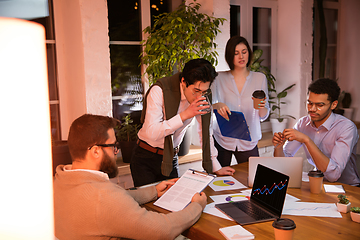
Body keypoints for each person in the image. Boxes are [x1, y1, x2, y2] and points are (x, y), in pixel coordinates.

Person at [53, 114, 208, 240]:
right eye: (113, 146)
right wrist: (196, 206)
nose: (116, 152)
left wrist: (153, 191)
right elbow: (162, 230)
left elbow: (114, 199)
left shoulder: (59, 182)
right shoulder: (103, 197)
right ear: (95, 151)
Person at [130, 58, 235, 187]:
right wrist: (185, 115)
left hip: (170, 158)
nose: (200, 97)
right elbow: (152, 132)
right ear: (183, 82)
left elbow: (205, 131)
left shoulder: (203, 95)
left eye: (204, 92)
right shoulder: (160, 91)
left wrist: (215, 166)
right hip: (146, 157)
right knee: (149, 203)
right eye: (196, 91)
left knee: (173, 203)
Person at [272, 78, 360, 186]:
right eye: (310, 103)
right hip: (318, 184)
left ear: (333, 105)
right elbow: (283, 161)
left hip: (348, 188)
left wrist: (307, 140)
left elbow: (333, 175)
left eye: (320, 105)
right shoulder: (302, 124)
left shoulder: (346, 128)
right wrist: (278, 147)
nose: (312, 109)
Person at [211, 36, 270, 167]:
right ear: (229, 56)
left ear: (249, 52)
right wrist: (217, 105)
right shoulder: (218, 78)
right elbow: (207, 107)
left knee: (253, 179)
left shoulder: (260, 78)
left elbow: (264, 116)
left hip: (249, 140)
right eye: (236, 53)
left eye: (244, 51)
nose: (241, 56)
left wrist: (260, 107)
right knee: (217, 180)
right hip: (222, 138)